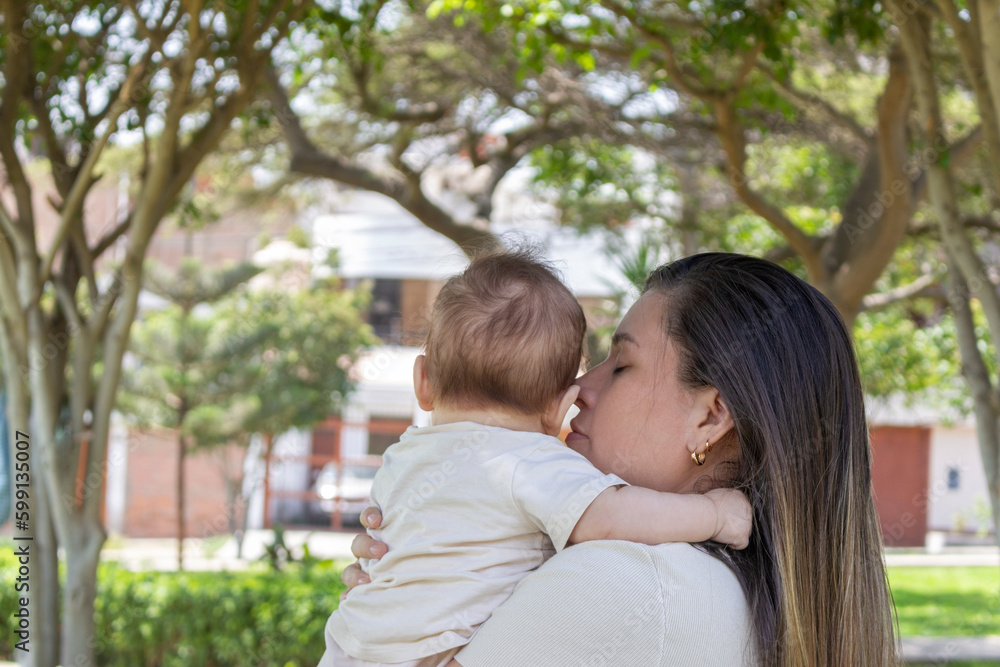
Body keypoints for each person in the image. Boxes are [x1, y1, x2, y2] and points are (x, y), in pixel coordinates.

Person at [342, 252, 900, 667]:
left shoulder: (630, 581)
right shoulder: (741, 593)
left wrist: (393, 619)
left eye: (620, 365)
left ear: (709, 417)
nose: (577, 388)